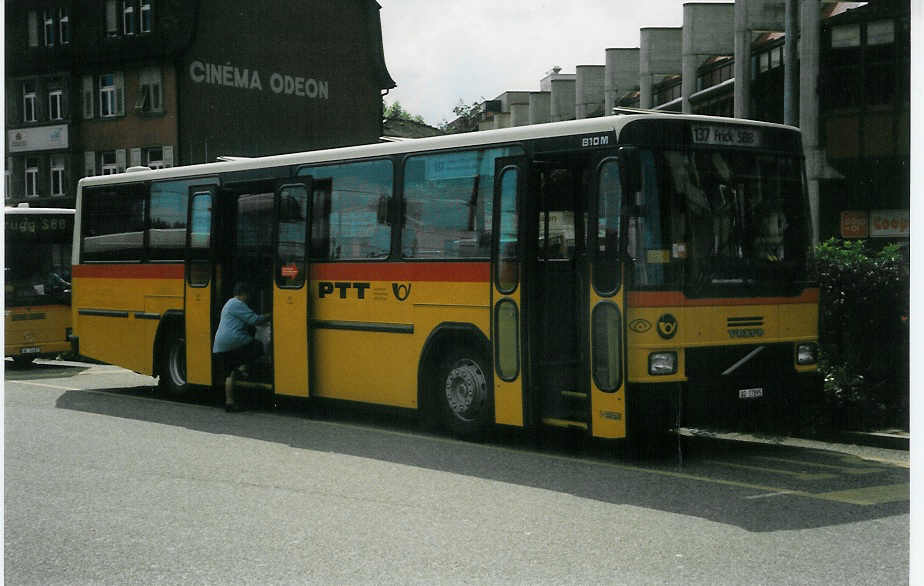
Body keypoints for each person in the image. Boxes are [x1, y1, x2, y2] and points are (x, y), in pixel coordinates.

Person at [212, 283, 270, 412]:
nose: (249, 298)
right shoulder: (237, 304)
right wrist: (271, 315)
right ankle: (242, 368)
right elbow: (255, 320)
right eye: (248, 295)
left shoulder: (229, 303)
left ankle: (229, 402)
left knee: (229, 373)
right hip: (232, 341)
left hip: (221, 345)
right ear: (243, 294)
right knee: (258, 346)